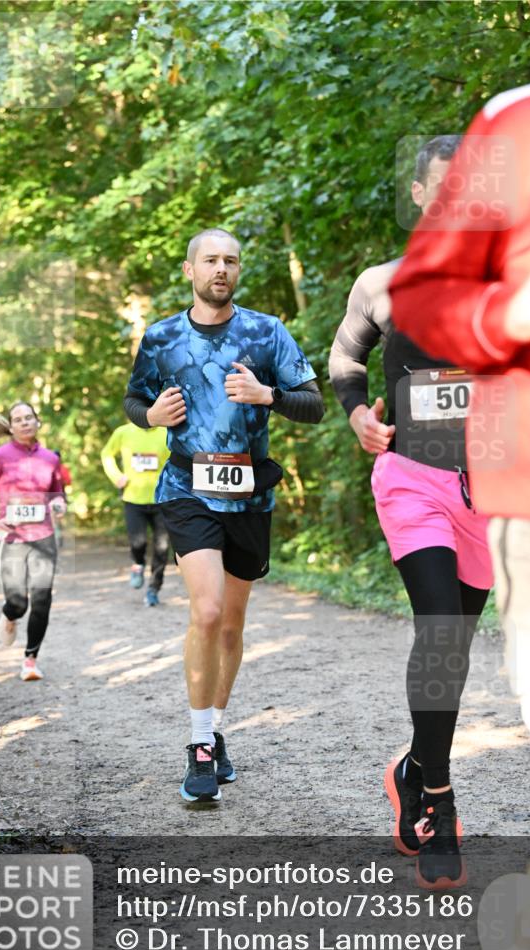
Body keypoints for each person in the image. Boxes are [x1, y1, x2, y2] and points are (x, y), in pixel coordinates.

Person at [390, 58, 530, 950]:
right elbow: (417, 303)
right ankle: (430, 774)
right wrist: (505, 311)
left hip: (492, 488)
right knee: (445, 635)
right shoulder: (526, 122)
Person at [330, 135, 493, 890]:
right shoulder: (383, 283)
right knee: (437, 629)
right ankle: (438, 798)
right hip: (412, 479)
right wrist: (358, 415)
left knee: (454, 650)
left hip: (490, 491)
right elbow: (345, 362)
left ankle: (410, 764)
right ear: (422, 195)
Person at [124, 227, 324, 802]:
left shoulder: (266, 332)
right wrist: (151, 416)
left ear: (238, 271)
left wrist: (269, 397)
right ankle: (199, 744)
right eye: (210, 260)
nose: (221, 268)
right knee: (207, 611)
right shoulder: (161, 337)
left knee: (232, 625)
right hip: (187, 487)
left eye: (230, 261)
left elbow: (312, 404)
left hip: (250, 493)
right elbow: (135, 401)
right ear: (190, 270)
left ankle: (215, 725)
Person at [0, 402, 66, 682]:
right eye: (18, 419)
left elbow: (57, 492)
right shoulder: (0, 456)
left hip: (44, 538)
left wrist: (59, 504)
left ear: (38, 422)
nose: (25, 422)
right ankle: (10, 615)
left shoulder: (50, 458)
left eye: (29, 417)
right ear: (10, 427)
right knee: (18, 603)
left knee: (42, 600)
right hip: (12, 538)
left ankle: (30, 660)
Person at [101, 422, 170, 606]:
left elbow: (178, 460)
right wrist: (116, 476)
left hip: (162, 500)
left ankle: (154, 589)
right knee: (137, 542)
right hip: (133, 499)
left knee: (162, 547)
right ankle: (138, 564)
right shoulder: (123, 432)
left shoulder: (166, 432)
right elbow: (106, 454)